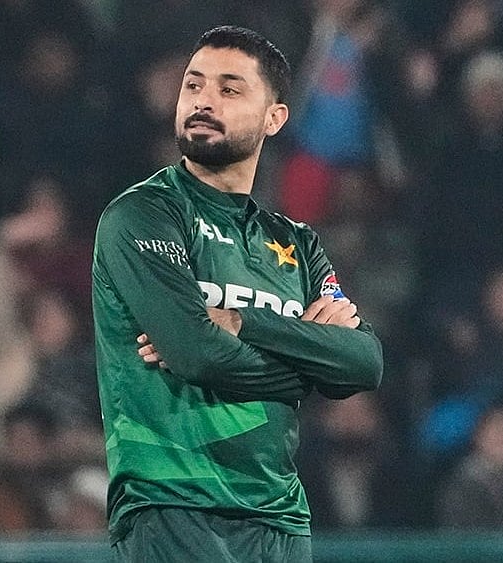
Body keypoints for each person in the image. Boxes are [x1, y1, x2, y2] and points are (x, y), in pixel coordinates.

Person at [92, 25, 383, 563]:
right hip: (173, 505)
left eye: (229, 89)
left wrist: (245, 323)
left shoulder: (296, 243)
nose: (203, 101)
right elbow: (195, 352)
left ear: (275, 117)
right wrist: (311, 363)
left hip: (281, 519)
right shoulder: (142, 215)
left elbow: (364, 364)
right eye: (193, 85)